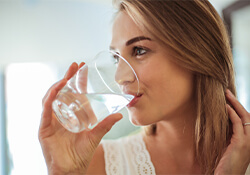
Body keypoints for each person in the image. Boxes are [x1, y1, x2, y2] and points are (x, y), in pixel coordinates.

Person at [39, 0, 250, 174]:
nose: (120, 77)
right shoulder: (97, 166)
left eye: (139, 50)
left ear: (198, 55)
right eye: (116, 58)